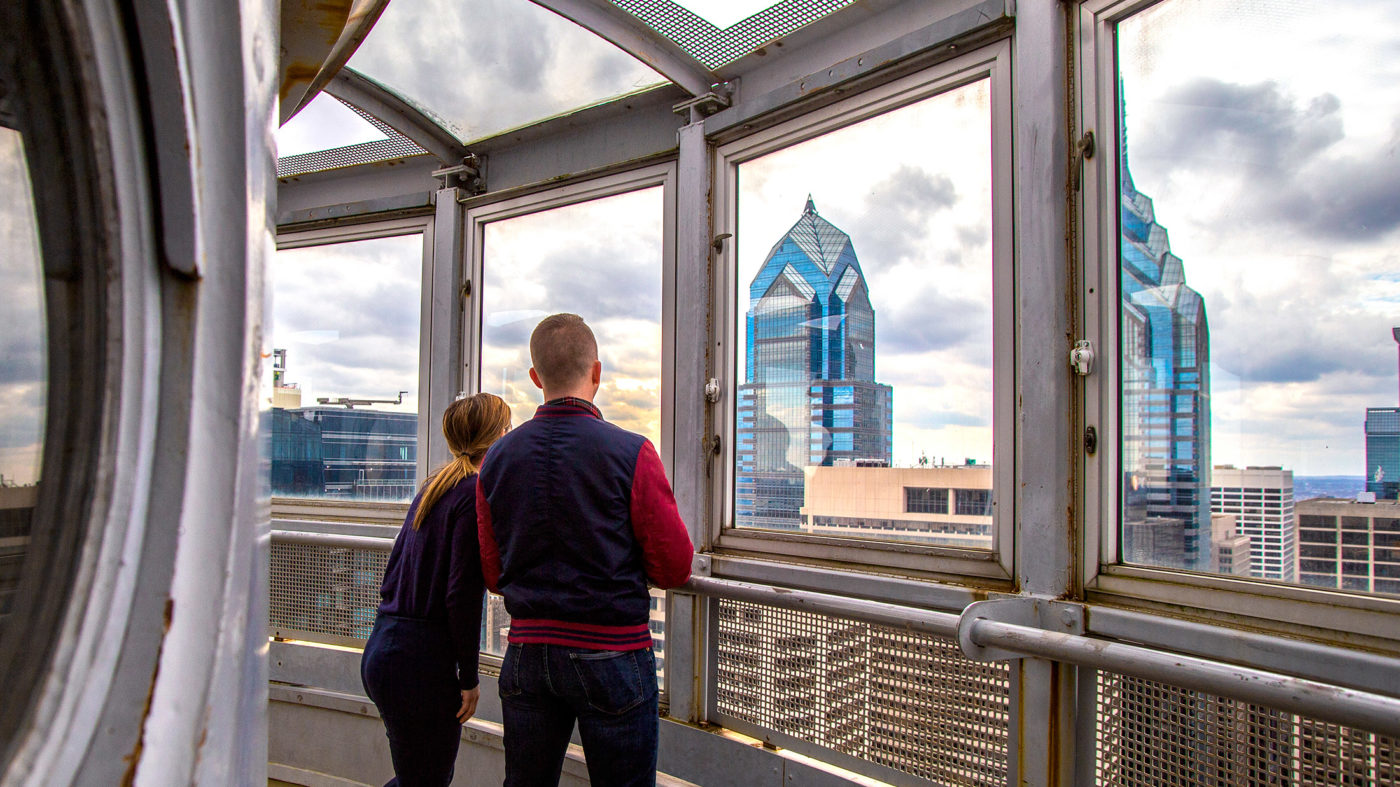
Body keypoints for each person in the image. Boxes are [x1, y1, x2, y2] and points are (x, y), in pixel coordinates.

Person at [477, 313, 694, 787]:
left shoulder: (497, 458)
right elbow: (675, 566)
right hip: (612, 652)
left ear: (535, 378)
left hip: (527, 652)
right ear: (597, 372)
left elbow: (493, 574)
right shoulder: (632, 452)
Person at [361, 392, 512, 787]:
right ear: (498, 437)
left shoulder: (433, 488)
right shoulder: (472, 495)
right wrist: (468, 678)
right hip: (420, 664)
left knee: (417, 779)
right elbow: (461, 596)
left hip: (385, 649)